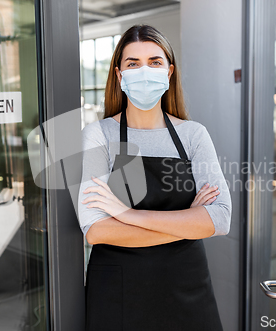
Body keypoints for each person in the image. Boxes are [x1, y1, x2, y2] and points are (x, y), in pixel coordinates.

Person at [77, 24, 232, 331]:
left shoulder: (193, 135)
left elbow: (221, 219)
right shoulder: (99, 135)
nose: (144, 71)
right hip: (119, 292)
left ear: (169, 72)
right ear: (120, 75)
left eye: (155, 62)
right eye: (133, 63)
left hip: (186, 288)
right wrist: (190, 222)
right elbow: (95, 231)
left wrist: (125, 215)